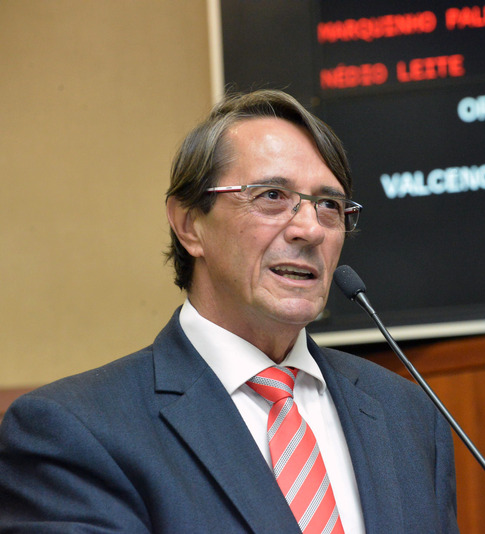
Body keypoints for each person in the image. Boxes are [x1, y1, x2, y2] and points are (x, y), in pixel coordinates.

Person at [0, 90, 458, 533]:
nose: (310, 229)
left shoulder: (409, 415)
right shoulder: (75, 430)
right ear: (189, 224)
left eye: (329, 205)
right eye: (272, 195)